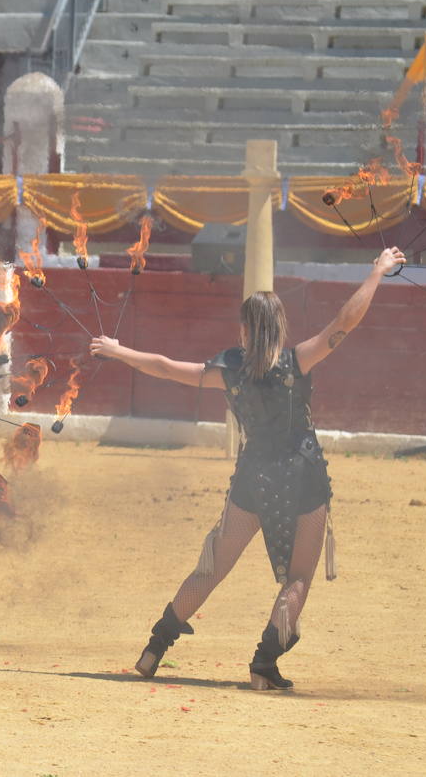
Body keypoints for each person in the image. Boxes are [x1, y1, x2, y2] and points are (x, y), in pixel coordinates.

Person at [89, 247, 406, 690]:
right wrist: (377, 271)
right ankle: (263, 665)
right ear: (281, 327)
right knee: (297, 577)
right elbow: (344, 324)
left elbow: (164, 368)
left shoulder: (230, 371)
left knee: (212, 568)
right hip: (301, 477)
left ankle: (154, 648)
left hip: (253, 478)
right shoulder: (299, 360)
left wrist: (119, 351)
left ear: (243, 329)